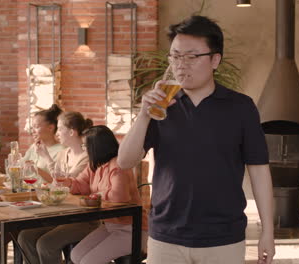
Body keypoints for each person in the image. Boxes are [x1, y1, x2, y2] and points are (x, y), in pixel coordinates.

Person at [117, 16, 275, 264]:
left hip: (223, 239)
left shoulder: (241, 108)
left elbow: (259, 171)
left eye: (191, 57)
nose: (181, 65)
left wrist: (268, 232)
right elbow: (125, 162)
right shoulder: (161, 105)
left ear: (215, 60)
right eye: (175, 56)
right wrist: (143, 116)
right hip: (166, 238)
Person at [0, 104, 66, 264]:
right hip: (26, 197)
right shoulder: (35, 147)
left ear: (51, 127)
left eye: (36, 126)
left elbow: (58, 182)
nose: (32, 130)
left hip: (44, 204)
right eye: (32, 126)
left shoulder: (61, 150)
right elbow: (20, 170)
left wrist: (36, 169)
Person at [17, 111, 100, 264]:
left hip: (83, 217)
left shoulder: (87, 157)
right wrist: (46, 156)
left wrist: (46, 161)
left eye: (60, 128)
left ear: (72, 132)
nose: (57, 132)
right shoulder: (64, 153)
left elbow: (67, 184)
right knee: (25, 236)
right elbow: (57, 185)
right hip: (62, 213)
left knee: (45, 244)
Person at [64, 125, 148, 264]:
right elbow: (81, 184)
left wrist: (96, 194)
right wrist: (67, 182)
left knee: (88, 261)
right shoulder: (95, 165)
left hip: (132, 230)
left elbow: (119, 196)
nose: (85, 150)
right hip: (110, 226)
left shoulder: (119, 165)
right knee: (76, 255)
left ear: (96, 147)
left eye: (86, 146)